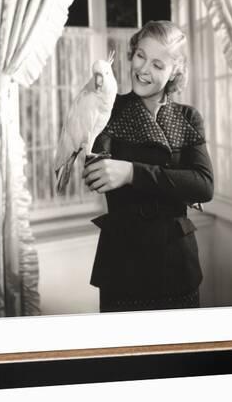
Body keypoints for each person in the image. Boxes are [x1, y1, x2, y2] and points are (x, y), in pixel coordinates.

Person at [83, 20, 214, 312]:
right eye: (141, 55)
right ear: (132, 53)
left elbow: (204, 185)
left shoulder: (188, 117)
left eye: (158, 64)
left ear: (174, 72)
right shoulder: (108, 109)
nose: (143, 70)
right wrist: (178, 184)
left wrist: (130, 172)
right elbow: (96, 174)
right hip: (123, 266)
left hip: (177, 266)